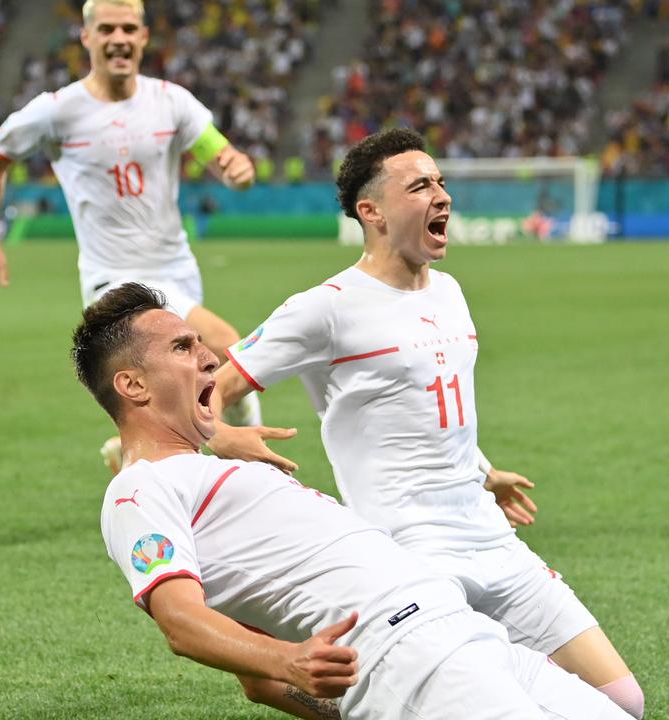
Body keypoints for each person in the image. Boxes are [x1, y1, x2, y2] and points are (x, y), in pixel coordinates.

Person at [208, 129, 645, 718]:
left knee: (623, 700)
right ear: (373, 212)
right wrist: (221, 434)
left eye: (440, 182)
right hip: (410, 550)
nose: (441, 195)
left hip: (490, 536)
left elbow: (435, 407)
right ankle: (285, 688)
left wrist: (484, 471)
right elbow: (211, 391)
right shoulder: (326, 307)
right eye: (420, 185)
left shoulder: (451, 292)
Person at [73, 282, 632, 720]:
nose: (210, 358)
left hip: (461, 630)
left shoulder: (213, 472)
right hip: (409, 649)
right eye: (183, 347)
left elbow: (258, 686)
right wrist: (289, 660)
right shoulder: (138, 489)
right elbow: (181, 622)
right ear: (133, 386)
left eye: (201, 344)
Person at [0, 0, 263, 464]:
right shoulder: (58, 111)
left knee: (190, 386)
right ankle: (248, 468)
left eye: (128, 28)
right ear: (87, 38)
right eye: (106, 29)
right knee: (228, 350)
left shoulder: (171, 101)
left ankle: (137, 459)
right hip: (115, 280)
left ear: (144, 36)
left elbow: (219, 154)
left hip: (178, 270)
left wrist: (236, 170)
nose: (118, 38)